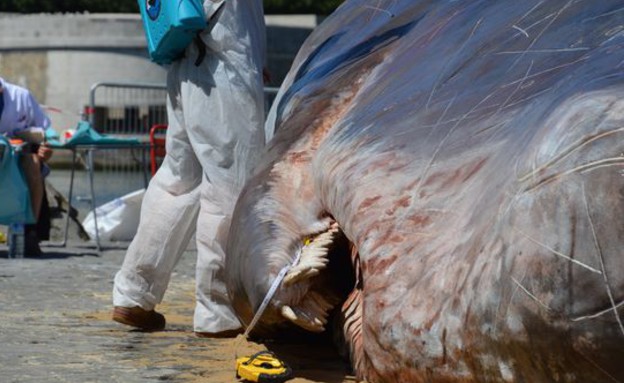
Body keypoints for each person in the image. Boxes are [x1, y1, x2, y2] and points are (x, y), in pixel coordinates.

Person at [112, 0, 267, 337]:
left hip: (185, 63)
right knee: (230, 188)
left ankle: (134, 293)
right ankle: (219, 309)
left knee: (177, 182)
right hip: (222, 69)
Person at [0, 77, 53, 256]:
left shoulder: (21, 96)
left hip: (17, 158)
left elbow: (46, 130)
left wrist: (46, 148)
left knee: (34, 164)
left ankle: (29, 230)